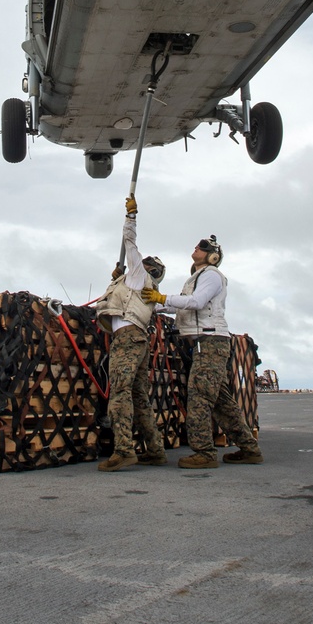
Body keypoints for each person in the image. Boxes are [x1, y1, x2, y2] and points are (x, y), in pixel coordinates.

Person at [142, 234, 262, 469]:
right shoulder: (195, 279)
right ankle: (250, 449)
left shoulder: (212, 276)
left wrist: (162, 297)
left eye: (203, 247)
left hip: (211, 342)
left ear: (214, 256)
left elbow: (196, 302)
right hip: (204, 344)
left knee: (199, 396)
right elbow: (181, 305)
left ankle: (204, 453)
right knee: (221, 402)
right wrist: (150, 305)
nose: (197, 248)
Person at [93, 196, 168, 472]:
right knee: (138, 396)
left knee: (120, 393)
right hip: (138, 340)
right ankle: (156, 450)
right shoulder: (140, 286)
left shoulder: (139, 275)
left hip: (127, 339)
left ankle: (123, 450)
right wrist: (115, 279)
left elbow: (129, 243)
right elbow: (116, 300)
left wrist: (131, 216)